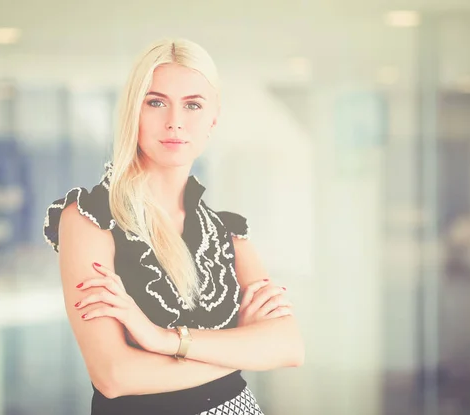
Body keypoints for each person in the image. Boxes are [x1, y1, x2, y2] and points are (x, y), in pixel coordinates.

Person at [42, 38, 304, 415]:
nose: (175, 121)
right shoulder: (88, 218)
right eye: (156, 102)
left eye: (193, 105)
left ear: (213, 120)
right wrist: (242, 346)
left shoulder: (228, 233)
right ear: (133, 111)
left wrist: (163, 341)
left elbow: (289, 346)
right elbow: (114, 376)